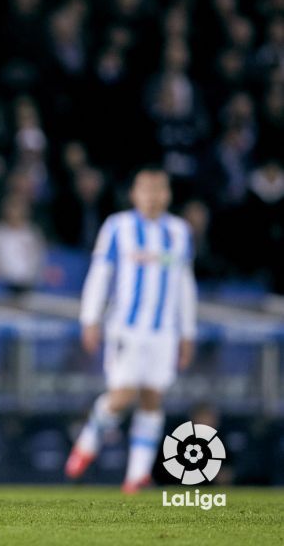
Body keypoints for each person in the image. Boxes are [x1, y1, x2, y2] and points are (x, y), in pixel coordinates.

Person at [65, 166, 197, 493]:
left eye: (159, 190)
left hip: (164, 330)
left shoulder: (179, 232)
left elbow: (185, 284)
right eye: (146, 190)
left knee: (153, 397)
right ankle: (87, 442)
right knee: (122, 396)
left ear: (168, 194)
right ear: (135, 194)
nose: (152, 197)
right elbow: (100, 273)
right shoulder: (118, 227)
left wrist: (188, 332)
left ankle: (136, 476)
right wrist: (90, 318)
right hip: (126, 327)